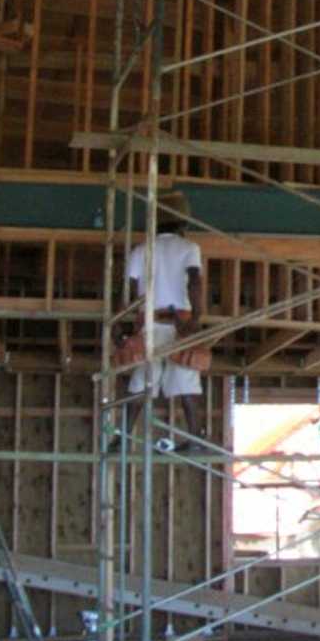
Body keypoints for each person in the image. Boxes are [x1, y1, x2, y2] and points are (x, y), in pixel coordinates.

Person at [111, 190, 210, 453]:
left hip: (149, 325)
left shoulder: (141, 249)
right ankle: (195, 440)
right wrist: (196, 318)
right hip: (181, 323)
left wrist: (118, 325)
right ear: (181, 224)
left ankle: (123, 439)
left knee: (141, 382)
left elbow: (126, 290)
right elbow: (195, 281)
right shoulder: (190, 248)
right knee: (186, 381)